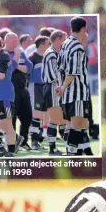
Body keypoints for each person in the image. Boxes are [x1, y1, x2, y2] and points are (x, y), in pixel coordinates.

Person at [57, 16, 93, 155]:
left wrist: (61, 86)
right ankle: (72, 155)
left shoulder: (65, 44)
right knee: (77, 124)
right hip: (77, 91)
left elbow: (59, 67)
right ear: (84, 29)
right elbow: (73, 72)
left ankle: (82, 152)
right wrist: (64, 87)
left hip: (68, 92)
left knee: (78, 123)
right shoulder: (77, 47)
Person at [41, 30, 68, 155]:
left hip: (56, 87)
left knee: (62, 120)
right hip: (53, 87)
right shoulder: (51, 54)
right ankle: (52, 150)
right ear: (58, 40)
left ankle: (70, 147)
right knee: (54, 119)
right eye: (65, 39)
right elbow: (54, 75)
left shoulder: (57, 53)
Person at [5, 32, 32, 151]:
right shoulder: (3, 53)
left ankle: (23, 141)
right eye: (13, 41)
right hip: (10, 90)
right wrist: (20, 66)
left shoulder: (20, 52)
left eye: (16, 40)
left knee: (27, 116)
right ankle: (13, 142)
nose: (16, 43)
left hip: (23, 89)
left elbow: (29, 67)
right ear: (6, 41)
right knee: (12, 117)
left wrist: (19, 66)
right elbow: (11, 66)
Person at [28, 35, 51, 150]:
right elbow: (26, 74)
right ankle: (34, 142)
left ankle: (40, 136)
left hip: (46, 87)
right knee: (36, 114)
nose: (50, 46)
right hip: (35, 87)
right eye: (48, 44)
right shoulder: (32, 58)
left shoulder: (48, 56)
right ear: (41, 45)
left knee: (45, 113)